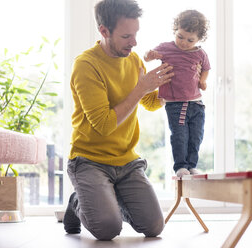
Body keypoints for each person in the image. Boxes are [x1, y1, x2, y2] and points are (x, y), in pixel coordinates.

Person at [63, 0, 174, 241]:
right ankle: (77, 202)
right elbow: (103, 125)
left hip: (127, 161)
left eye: (135, 34)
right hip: (89, 160)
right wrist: (141, 89)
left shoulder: (133, 60)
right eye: (126, 36)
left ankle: (106, 197)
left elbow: (150, 103)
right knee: (107, 229)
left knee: (154, 226)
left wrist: (174, 87)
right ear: (104, 31)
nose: (134, 42)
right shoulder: (86, 65)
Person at [144, 10, 210, 177]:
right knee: (180, 136)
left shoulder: (200, 53)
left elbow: (206, 68)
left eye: (190, 40)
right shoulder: (166, 48)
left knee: (196, 136)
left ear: (199, 39)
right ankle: (180, 166)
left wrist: (203, 81)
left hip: (196, 102)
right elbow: (148, 57)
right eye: (180, 36)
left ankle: (192, 165)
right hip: (176, 102)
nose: (184, 42)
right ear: (175, 30)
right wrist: (149, 55)